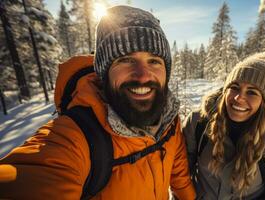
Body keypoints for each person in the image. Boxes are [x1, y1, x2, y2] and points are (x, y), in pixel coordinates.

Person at [0, 5, 195, 200]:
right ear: (104, 73)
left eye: (154, 61)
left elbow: (179, 174)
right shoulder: (77, 136)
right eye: (125, 59)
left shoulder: (168, 118)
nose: (143, 76)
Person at [183, 53, 265, 199]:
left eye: (251, 92)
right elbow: (179, 174)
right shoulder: (198, 123)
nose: (239, 98)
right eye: (235, 87)